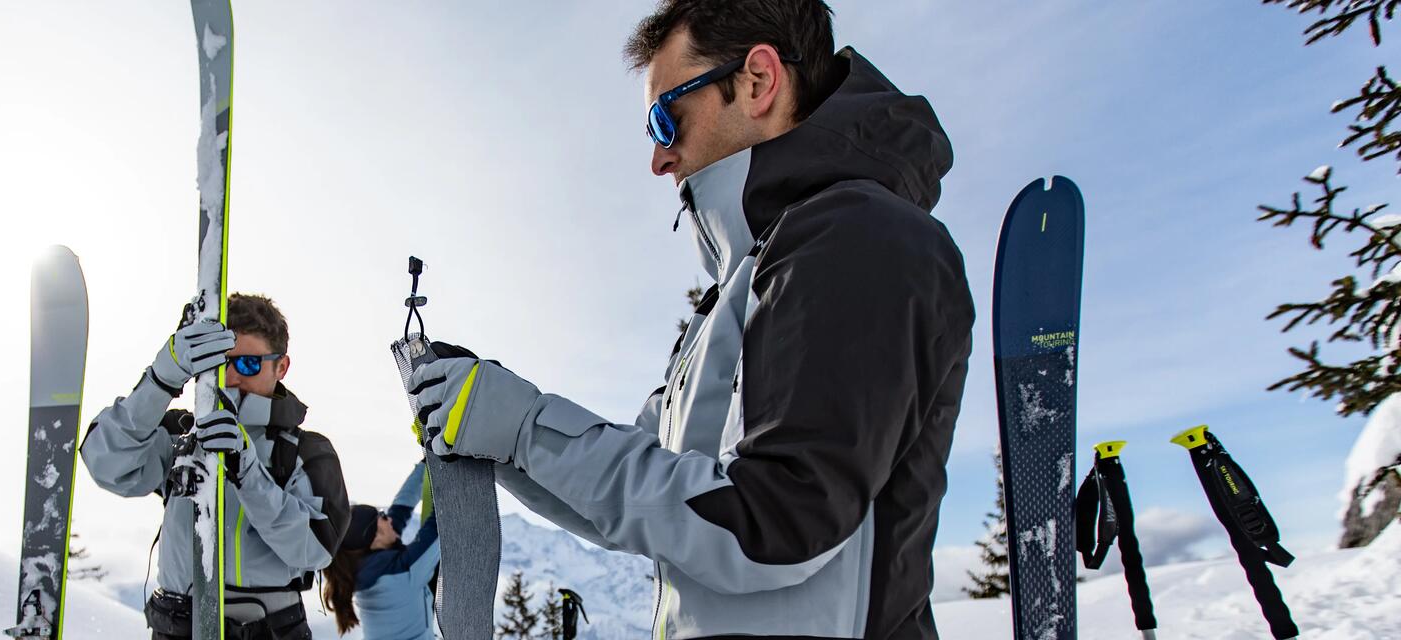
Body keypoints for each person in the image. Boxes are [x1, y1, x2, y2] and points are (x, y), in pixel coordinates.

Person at [401, 1, 972, 638]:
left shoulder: (858, 238)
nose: (657, 158)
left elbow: (777, 525)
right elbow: (635, 499)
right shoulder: (740, 290)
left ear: (757, 81)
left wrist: (525, 429)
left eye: (665, 119)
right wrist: (497, 427)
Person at [81, 293, 350, 640]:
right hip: (177, 627)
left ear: (280, 367)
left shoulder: (306, 451)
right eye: (221, 362)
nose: (233, 376)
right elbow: (106, 462)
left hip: (269, 630)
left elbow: (312, 550)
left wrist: (248, 472)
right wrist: (163, 377)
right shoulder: (179, 434)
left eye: (249, 364)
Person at [319, 462, 438, 639]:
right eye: (381, 517)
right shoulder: (401, 573)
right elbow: (442, 523)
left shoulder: (365, 564)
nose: (388, 519)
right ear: (375, 538)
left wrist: (426, 464)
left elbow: (400, 508)